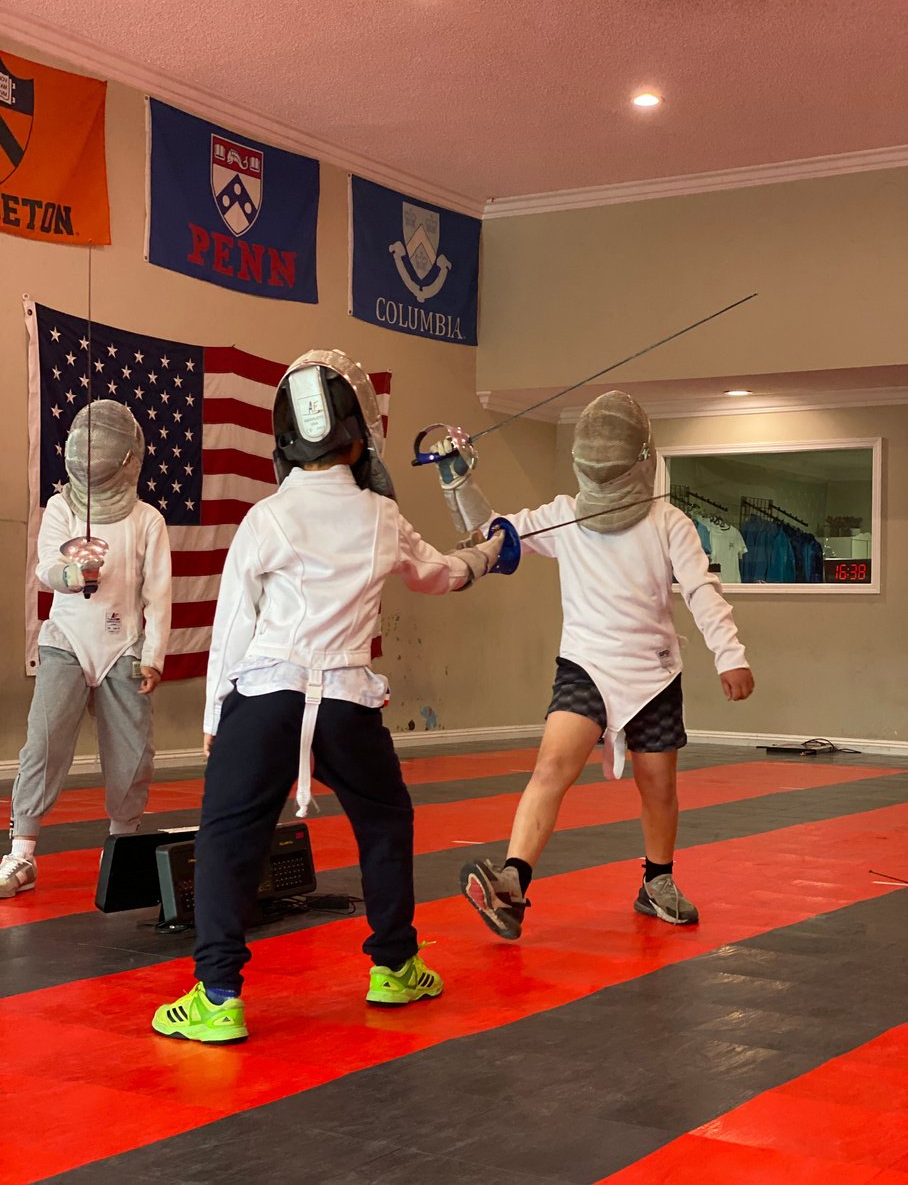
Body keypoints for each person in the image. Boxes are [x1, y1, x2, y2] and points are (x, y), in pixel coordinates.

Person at [152, 350, 504, 1044]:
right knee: (384, 820)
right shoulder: (381, 516)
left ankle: (217, 997)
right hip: (346, 703)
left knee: (229, 834)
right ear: (359, 431)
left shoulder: (266, 517)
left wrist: (214, 719)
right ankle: (395, 967)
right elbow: (440, 576)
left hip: (265, 698)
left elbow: (233, 625)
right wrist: (487, 551)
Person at [430, 391, 754, 939]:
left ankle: (657, 882)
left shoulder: (668, 521)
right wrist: (457, 480)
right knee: (552, 766)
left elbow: (701, 589)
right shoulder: (561, 515)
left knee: (658, 785)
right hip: (585, 665)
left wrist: (731, 655)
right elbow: (496, 535)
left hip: (653, 672)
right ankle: (512, 883)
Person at [2, 401, 171, 899]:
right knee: (45, 743)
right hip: (66, 642)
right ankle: (21, 853)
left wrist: (155, 655)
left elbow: (158, 595)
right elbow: (46, 567)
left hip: (125, 647)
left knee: (131, 753)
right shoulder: (62, 508)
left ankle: (122, 849)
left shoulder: (147, 521)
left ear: (128, 456)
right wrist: (71, 575)